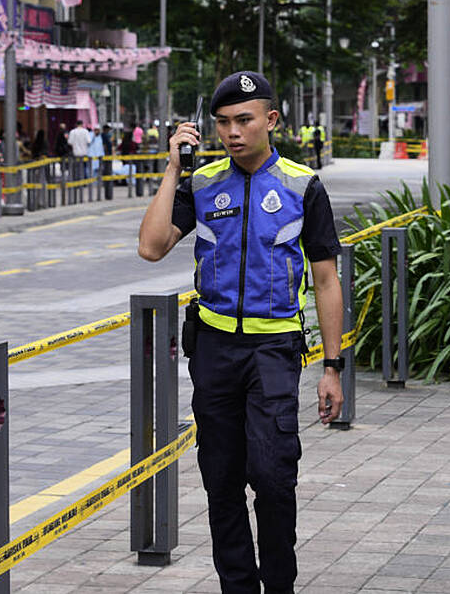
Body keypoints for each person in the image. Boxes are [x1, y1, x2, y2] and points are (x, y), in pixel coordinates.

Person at [137, 71, 344, 594]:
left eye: (244, 121)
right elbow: (152, 246)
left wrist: (332, 367)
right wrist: (171, 171)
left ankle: (279, 586)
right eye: (223, 123)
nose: (233, 132)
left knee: (274, 477)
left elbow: (325, 279)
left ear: (270, 120)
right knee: (221, 479)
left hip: (274, 348)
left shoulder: (303, 185)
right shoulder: (203, 184)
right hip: (214, 349)